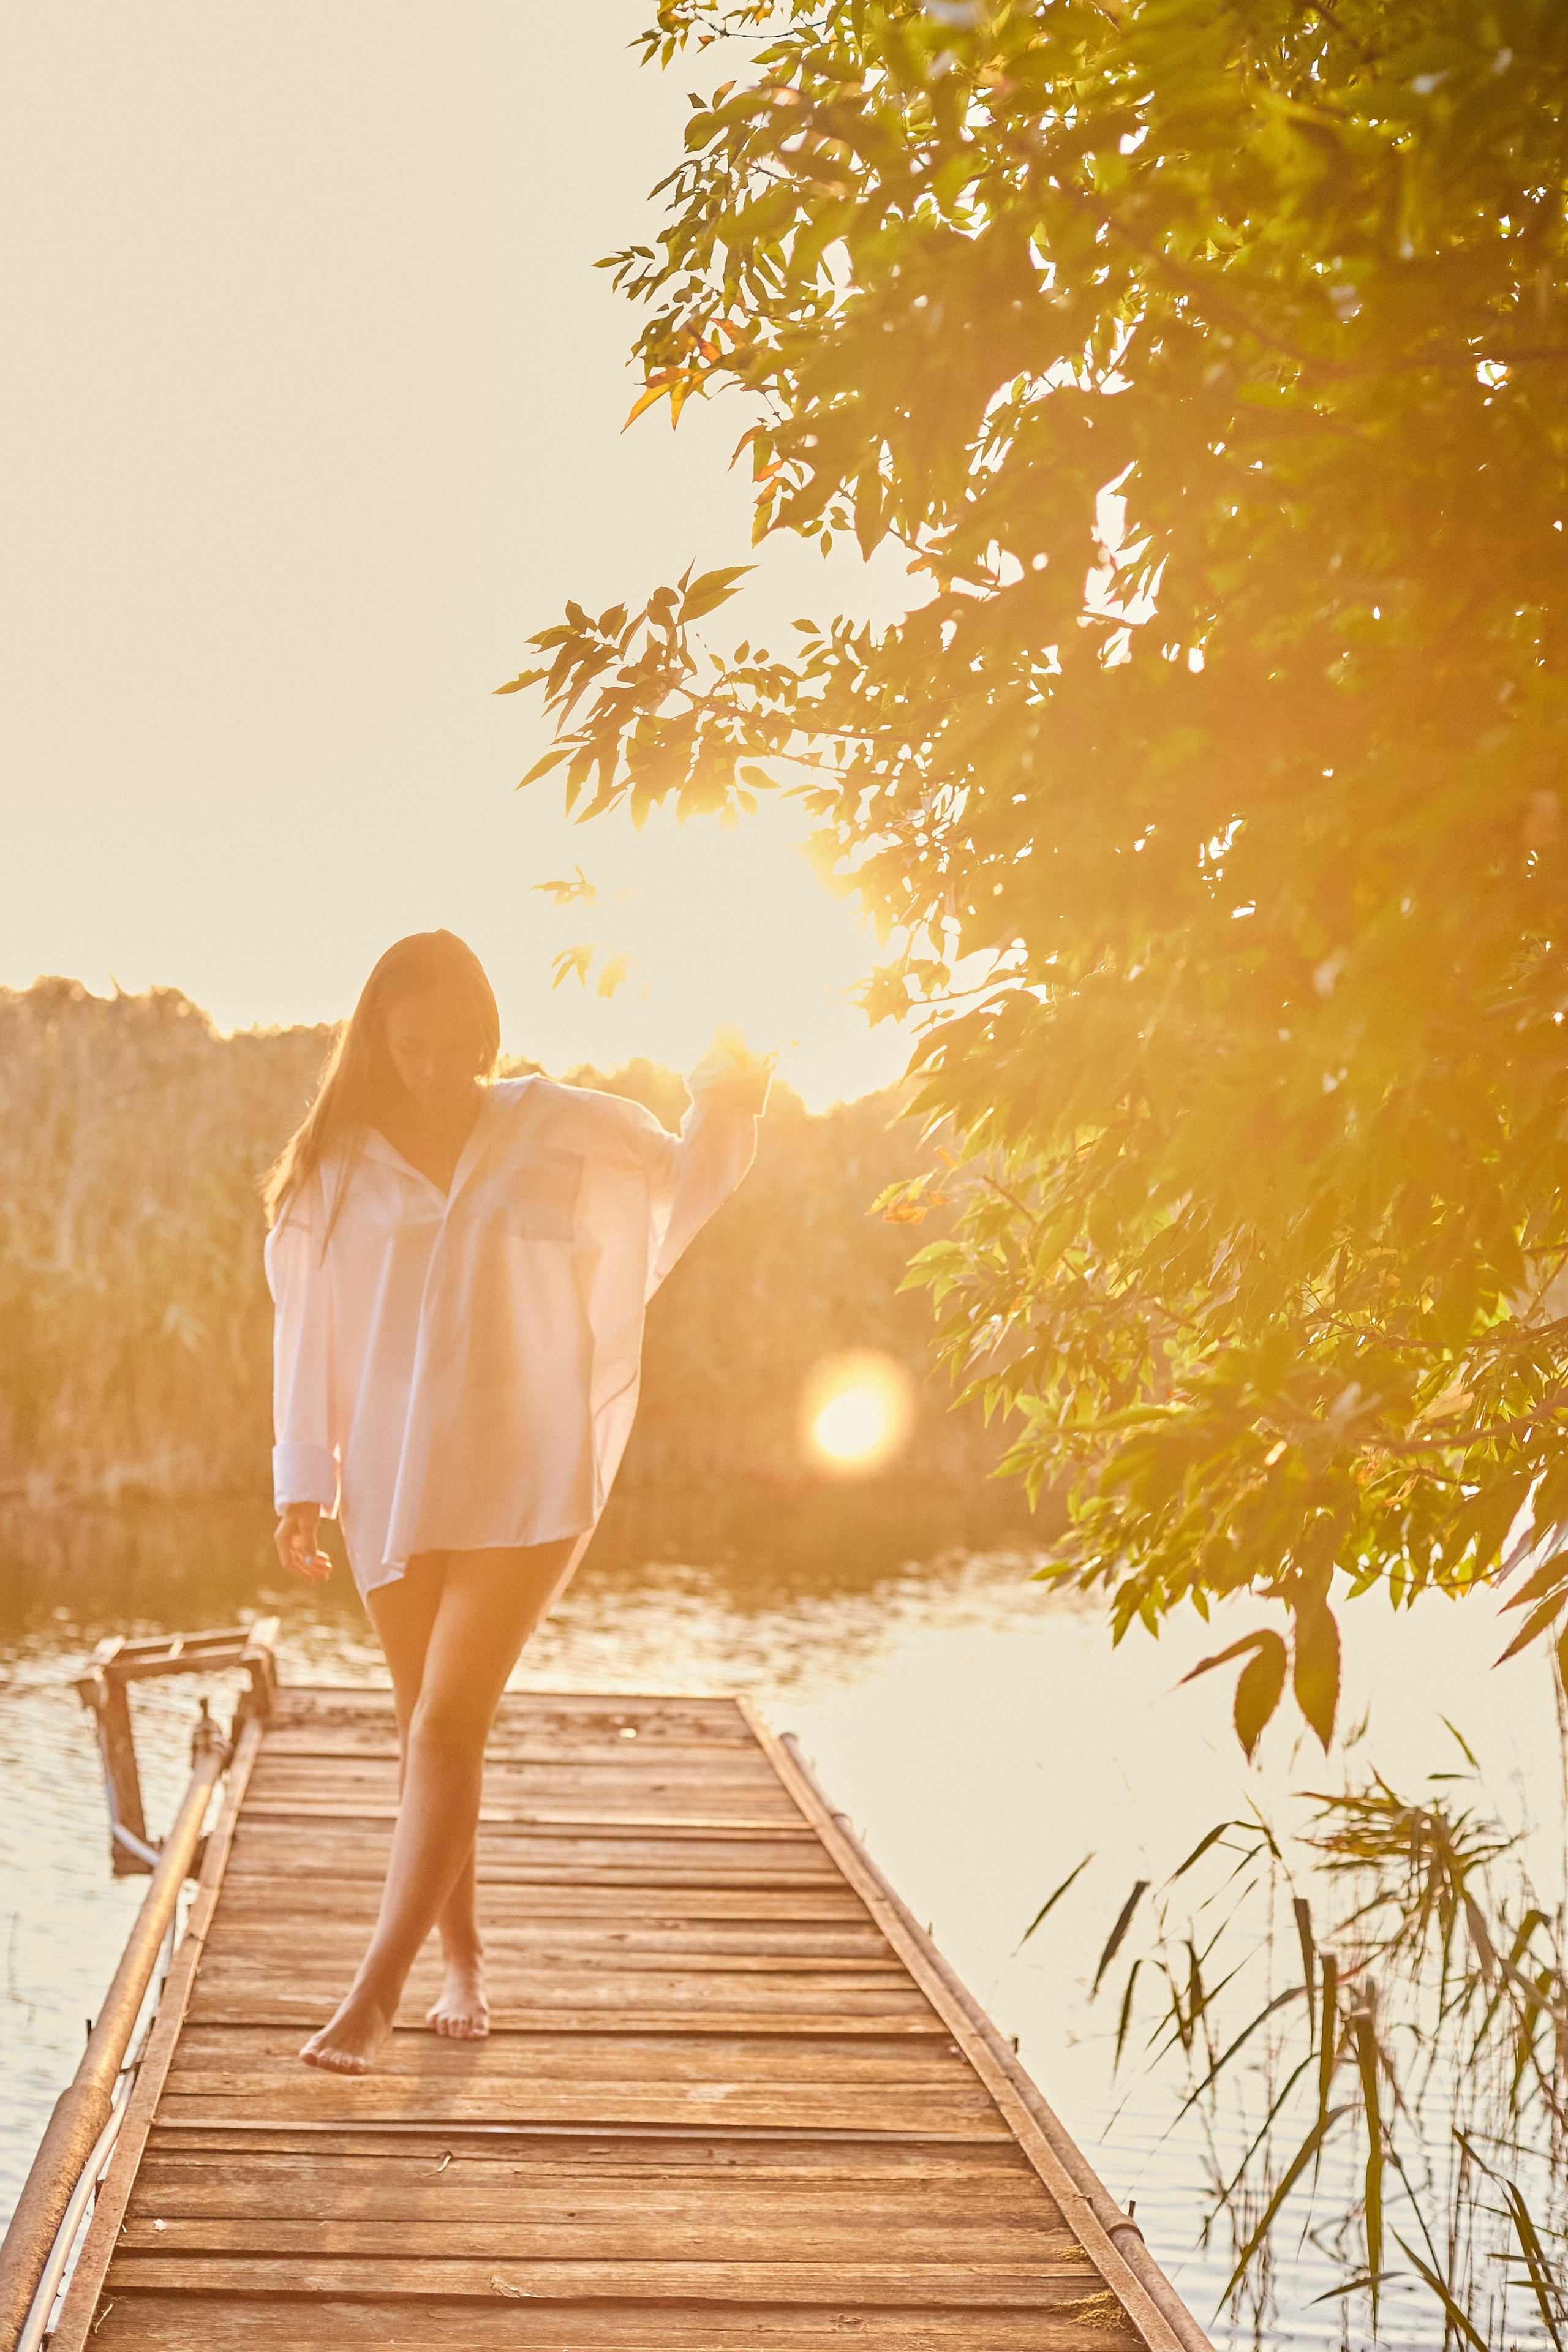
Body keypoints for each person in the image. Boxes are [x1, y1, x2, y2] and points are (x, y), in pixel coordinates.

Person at [263, 929, 767, 2073]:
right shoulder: (333, 1165)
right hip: (390, 1476)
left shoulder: (557, 1122)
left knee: (448, 1721)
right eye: (414, 1045)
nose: (439, 1064)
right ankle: (465, 1956)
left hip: (533, 1469)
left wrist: (729, 1093)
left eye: (461, 1043)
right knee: (433, 1735)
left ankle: (373, 1994)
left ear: (490, 1032)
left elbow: (685, 1181)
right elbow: (308, 1329)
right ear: (378, 1040)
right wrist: (304, 1481)